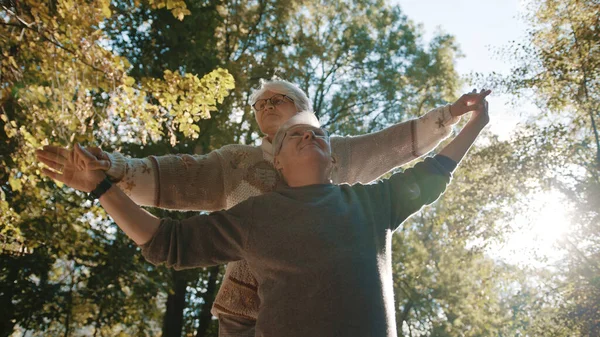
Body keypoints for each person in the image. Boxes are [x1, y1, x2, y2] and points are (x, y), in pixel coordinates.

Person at [35, 79, 486, 336]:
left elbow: (414, 158)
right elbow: (173, 186)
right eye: (262, 103)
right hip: (245, 315)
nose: (270, 106)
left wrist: (456, 116)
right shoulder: (238, 172)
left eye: (280, 100)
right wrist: (108, 174)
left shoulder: (360, 187)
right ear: (275, 155)